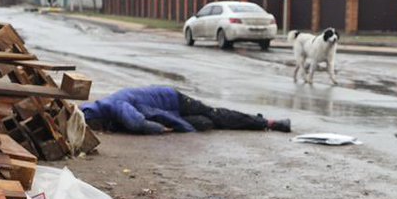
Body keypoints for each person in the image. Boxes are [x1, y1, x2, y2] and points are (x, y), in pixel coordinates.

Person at [81, 86, 291, 135]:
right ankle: (250, 120)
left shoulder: (113, 105)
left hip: (176, 100)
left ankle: (267, 123)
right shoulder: (108, 107)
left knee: (215, 115)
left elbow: (137, 122)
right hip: (173, 112)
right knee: (207, 123)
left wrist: (162, 130)